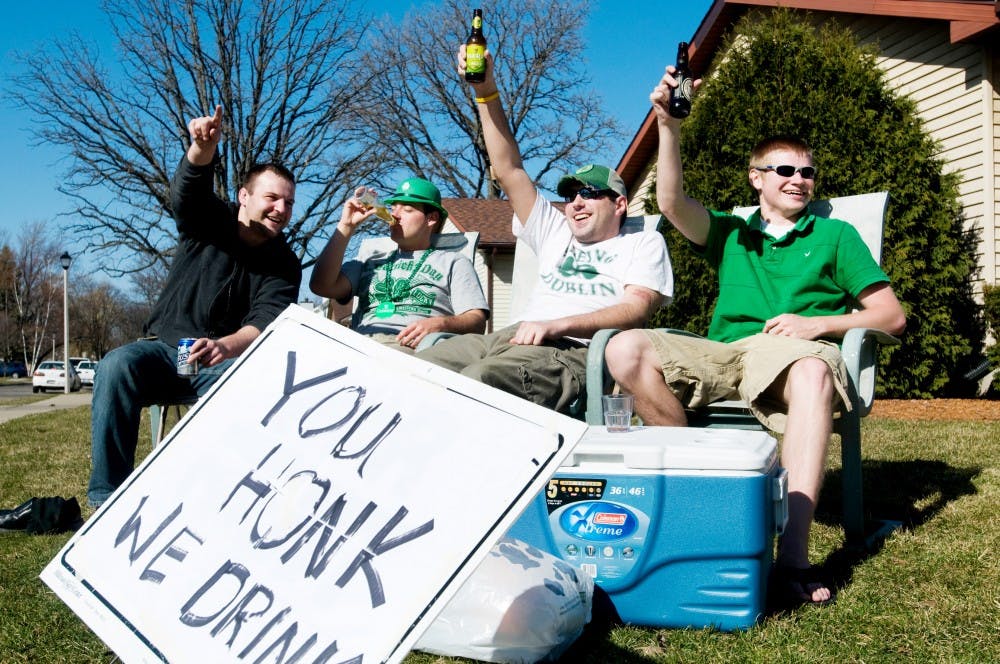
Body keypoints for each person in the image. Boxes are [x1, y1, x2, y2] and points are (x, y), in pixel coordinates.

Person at [604, 66, 907, 606]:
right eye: (785, 169)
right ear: (756, 178)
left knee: (814, 369)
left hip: (794, 354)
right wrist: (667, 125)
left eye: (808, 173)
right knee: (625, 348)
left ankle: (791, 558)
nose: (799, 179)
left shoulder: (836, 234)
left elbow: (890, 316)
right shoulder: (732, 232)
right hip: (726, 351)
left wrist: (823, 325)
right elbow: (672, 204)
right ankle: (709, 494)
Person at [415, 45, 673, 413]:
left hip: (575, 351)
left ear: (619, 204)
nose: (576, 202)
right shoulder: (556, 231)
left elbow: (635, 310)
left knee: (477, 384)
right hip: (510, 337)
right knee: (414, 370)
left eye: (589, 193)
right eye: (569, 195)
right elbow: (509, 170)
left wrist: (556, 325)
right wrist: (484, 90)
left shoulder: (643, 241)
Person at [86, 105, 302, 508]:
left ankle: (210, 502)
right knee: (116, 365)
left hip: (220, 366)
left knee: (246, 387)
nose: (280, 209)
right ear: (244, 196)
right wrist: (202, 148)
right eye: (272, 198)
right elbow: (187, 193)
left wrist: (225, 347)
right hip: (164, 348)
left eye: (289, 203)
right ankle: (106, 499)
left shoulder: (285, 264)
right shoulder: (210, 220)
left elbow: (265, 320)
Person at [310, 177, 489, 353]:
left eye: (407, 209)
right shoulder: (369, 260)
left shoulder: (453, 262)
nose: (394, 214)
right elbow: (321, 286)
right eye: (393, 207)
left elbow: (477, 321)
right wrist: (346, 226)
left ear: (431, 218)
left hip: (416, 349)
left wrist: (441, 323)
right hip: (361, 346)